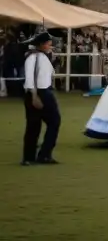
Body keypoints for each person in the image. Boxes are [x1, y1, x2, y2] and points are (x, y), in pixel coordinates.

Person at [22, 32, 60, 166]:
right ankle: (33, 156)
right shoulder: (32, 58)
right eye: (48, 43)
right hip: (38, 92)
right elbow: (29, 79)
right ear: (41, 44)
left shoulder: (43, 56)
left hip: (45, 91)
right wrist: (34, 96)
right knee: (36, 125)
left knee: (48, 123)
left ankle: (41, 155)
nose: (50, 45)